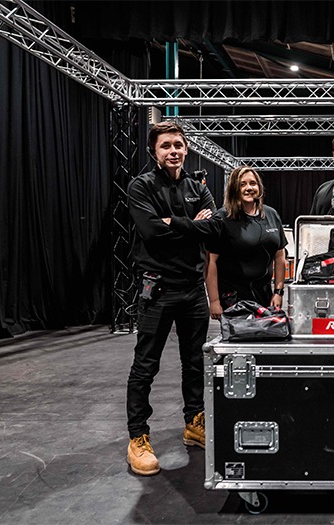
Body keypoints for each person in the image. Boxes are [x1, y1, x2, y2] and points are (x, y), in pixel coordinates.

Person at [125, 121, 216, 476]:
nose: (173, 151)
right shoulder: (141, 186)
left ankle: (194, 423)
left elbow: (213, 228)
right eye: (166, 146)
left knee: (195, 363)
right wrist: (191, 224)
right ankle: (137, 437)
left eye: (178, 144)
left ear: (186, 149)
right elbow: (151, 232)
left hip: (193, 289)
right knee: (145, 366)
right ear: (155, 151)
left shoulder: (198, 187)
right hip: (158, 288)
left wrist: (173, 223)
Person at [166, 166, 288, 320]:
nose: (249, 188)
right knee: (240, 336)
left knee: (264, 334)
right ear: (234, 189)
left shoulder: (271, 214)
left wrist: (278, 292)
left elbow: (279, 256)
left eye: (253, 183)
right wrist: (214, 301)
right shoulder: (223, 218)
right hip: (233, 299)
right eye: (242, 184)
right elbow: (211, 262)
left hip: (265, 297)